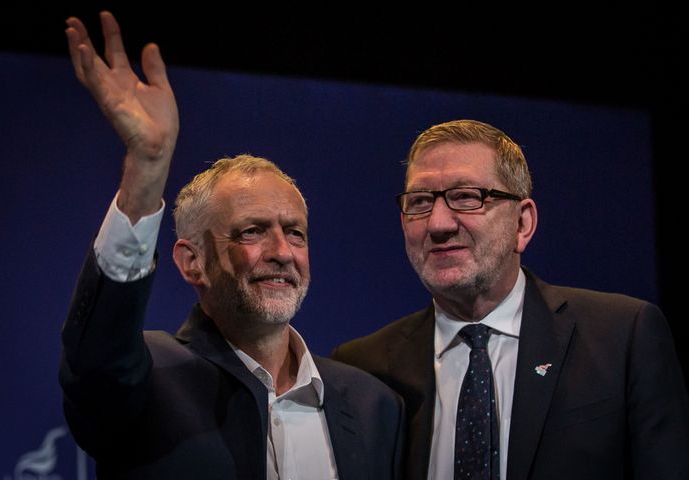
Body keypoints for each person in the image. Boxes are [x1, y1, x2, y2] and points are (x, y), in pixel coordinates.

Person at [58, 11, 404, 479]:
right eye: (252, 231)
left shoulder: (373, 405)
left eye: (295, 232)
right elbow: (97, 354)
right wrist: (148, 166)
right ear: (192, 261)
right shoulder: (150, 379)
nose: (282, 251)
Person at [332, 119, 689, 480]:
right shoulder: (364, 367)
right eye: (421, 201)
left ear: (522, 224)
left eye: (466, 197)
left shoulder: (622, 336)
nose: (438, 224)